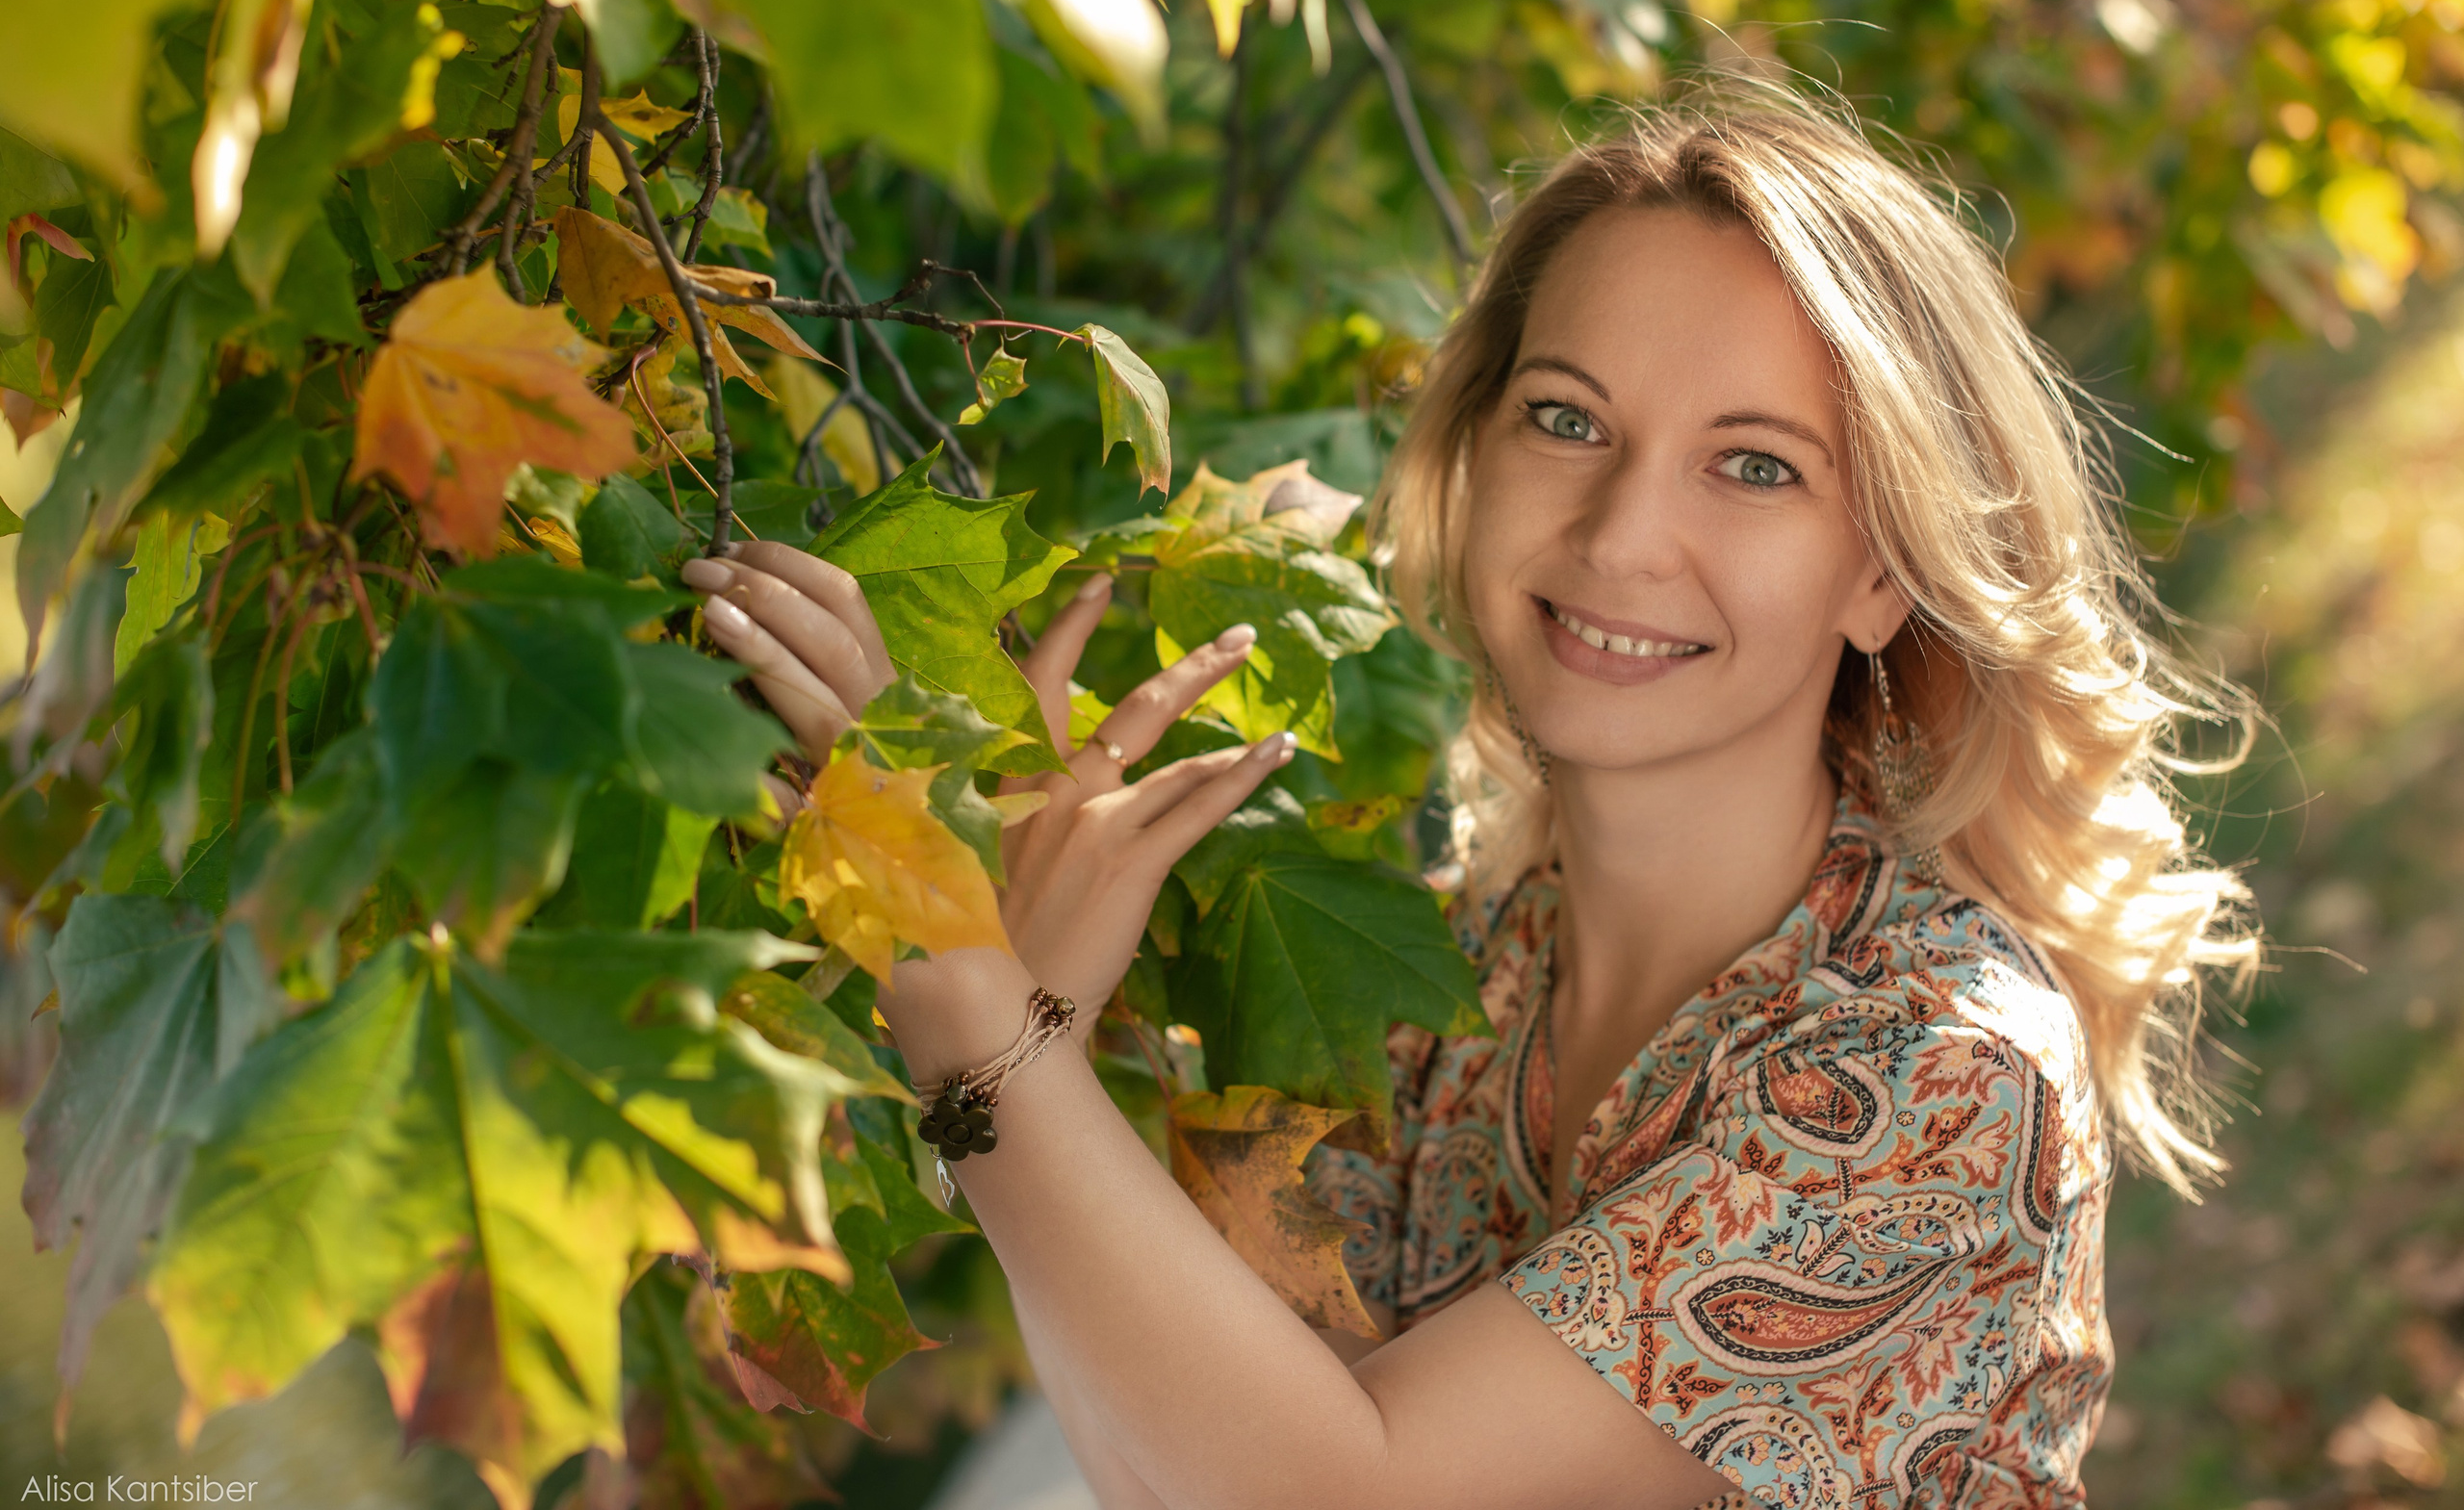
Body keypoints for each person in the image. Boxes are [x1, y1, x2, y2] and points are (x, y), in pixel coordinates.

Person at [678, 85, 2256, 1509]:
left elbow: (1337, 1493)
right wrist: (1034, 1019)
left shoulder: (1938, 1072)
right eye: (1567, 420)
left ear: (1883, 575)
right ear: (1477, 451)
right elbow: (1173, 1465)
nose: (1620, 535)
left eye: (1756, 465)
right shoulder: (1452, 982)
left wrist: (963, 988)